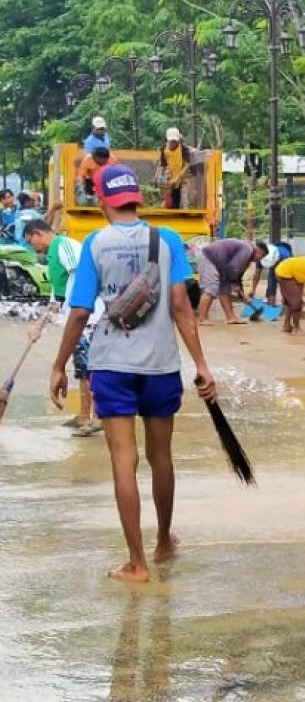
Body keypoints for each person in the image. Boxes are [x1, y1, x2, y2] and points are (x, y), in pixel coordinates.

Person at [48, 163, 218, 582]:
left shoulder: (95, 244)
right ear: (137, 199)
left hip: (112, 365)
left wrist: (58, 364)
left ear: (103, 201)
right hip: (160, 365)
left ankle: (137, 563)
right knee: (162, 458)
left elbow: (81, 311)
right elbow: (181, 305)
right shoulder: (168, 240)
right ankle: (162, 542)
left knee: (124, 461)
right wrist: (200, 364)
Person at [24, 219, 104, 437]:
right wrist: (39, 325)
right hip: (76, 318)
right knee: (81, 366)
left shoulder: (64, 245)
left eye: (32, 242)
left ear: (38, 233)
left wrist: (80, 309)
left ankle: (98, 417)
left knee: (91, 366)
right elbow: (57, 297)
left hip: (89, 315)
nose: (34, 248)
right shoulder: (52, 257)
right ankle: (84, 414)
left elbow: (80, 273)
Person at [195, 238, 267, 326]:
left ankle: (231, 317)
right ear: (260, 252)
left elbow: (237, 277)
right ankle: (202, 318)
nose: (259, 260)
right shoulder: (247, 250)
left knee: (225, 290)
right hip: (208, 258)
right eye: (262, 257)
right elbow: (233, 268)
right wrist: (234, 283)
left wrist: (241, 294)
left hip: (220, 265)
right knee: (212, 287)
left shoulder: (247, 255)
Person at [157, 128, 195, 209]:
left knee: (184, 198)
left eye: (174, 141)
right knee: (173, 197)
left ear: (178, 140)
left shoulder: (184, 149)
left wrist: (178, 177)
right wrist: (161, 176)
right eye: (171, 141)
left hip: (184, 176)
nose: (172, 143)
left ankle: (185, 213)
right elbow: (163, 164)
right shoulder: (164, 149)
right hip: (171, 176)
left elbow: (187, 164)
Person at [249, 241, 294, 305]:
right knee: (271, 281)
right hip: (275, 258)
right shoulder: (261, 256)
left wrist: (285, 299)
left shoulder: (285, 256)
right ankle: (271, 302)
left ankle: (288, 301)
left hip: (284, 261)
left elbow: (285, 282)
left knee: (286, 283)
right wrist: (252, 290)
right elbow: (257, 274)